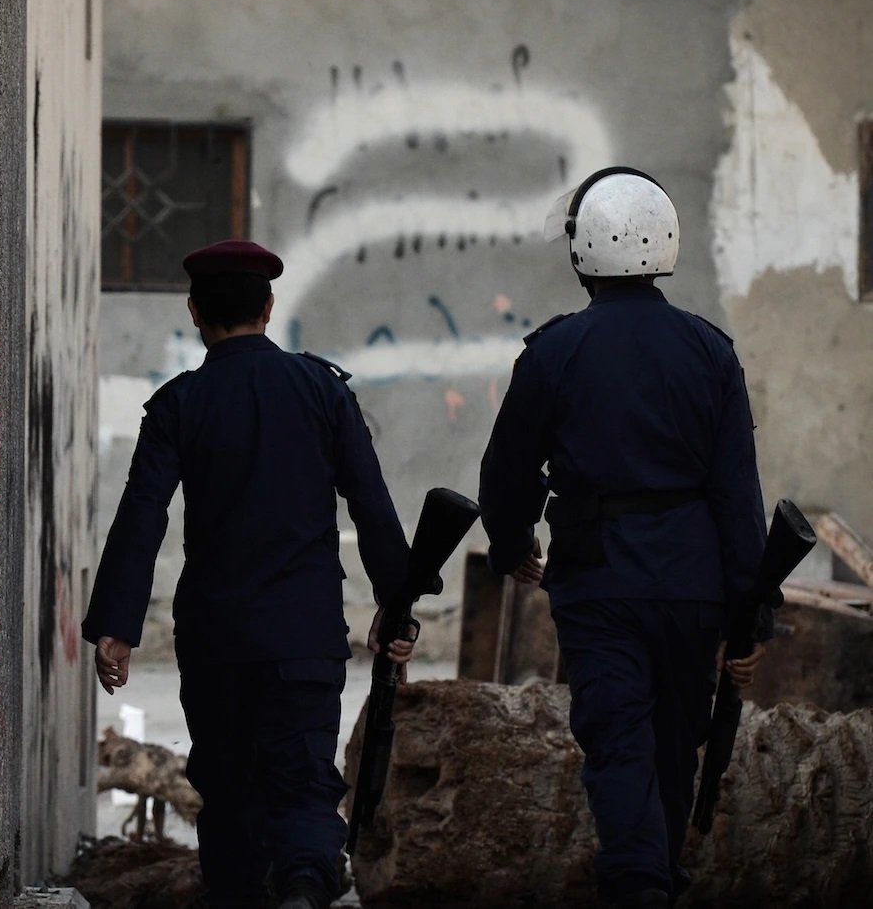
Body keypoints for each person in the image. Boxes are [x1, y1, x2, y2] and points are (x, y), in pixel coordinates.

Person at [82, 239, 416, 909]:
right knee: (302, 787)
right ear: (268, 307)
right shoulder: (322, 390)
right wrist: (395, 602)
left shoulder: (178, 404)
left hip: (217, 640)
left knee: (230, 794)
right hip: (303, 635)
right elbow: (371, 502)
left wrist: (117, 626)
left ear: (194, 312)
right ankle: (301, 889)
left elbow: (141, 515)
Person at [478, 167, 770, 908]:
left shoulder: (552, 351)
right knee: (675, 745)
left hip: (598, 582)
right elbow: (738, 496)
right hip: (690, 583)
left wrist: (513, 545)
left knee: (617, 739)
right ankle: (657, 878)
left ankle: (639, 884)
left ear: (584, 253)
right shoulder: (710, 352)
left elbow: (506, 469)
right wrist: (748, 617)